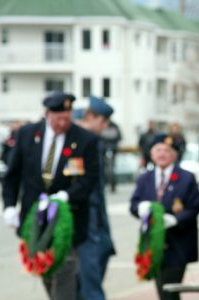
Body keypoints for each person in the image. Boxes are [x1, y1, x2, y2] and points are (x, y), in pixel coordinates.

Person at [2, 92, 99, 300]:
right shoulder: (28, 134)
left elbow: (89, 179)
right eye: (58, 119)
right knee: (45, 271)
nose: (63, 123)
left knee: (64, 271)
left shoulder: (85, 140)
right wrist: (9, 206)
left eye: (67, 118)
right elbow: (13, 174)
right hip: (35, 218)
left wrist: (66, 196)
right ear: (47, 114)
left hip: (68, 218)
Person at [129, 134, 199, 300]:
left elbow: (194, 207)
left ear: (174, 155)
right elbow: (134, 204)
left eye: (167, 151)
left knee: (170, 292)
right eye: (158, 150)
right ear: (152, 154)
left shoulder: (185, 178)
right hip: (154, 246)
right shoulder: (145, 178)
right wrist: (140, 208)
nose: (162, 154)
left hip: (178, 245)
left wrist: (176, 219)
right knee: (162, 291)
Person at [77, 96, 116, 300]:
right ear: (91, 117)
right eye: (103, 121)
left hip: (97, 215)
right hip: (84, 217)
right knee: (88, 284)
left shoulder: (95, 142)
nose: (106, 126)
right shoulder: (77, 140)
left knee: (104, 252)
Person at [101, 119, 122, 192]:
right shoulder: (103, 125)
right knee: (104, 168)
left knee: (111, 169)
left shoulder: (114, 126)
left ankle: (112, 185)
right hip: (104, 150)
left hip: (112, 150)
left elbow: (119, 137)